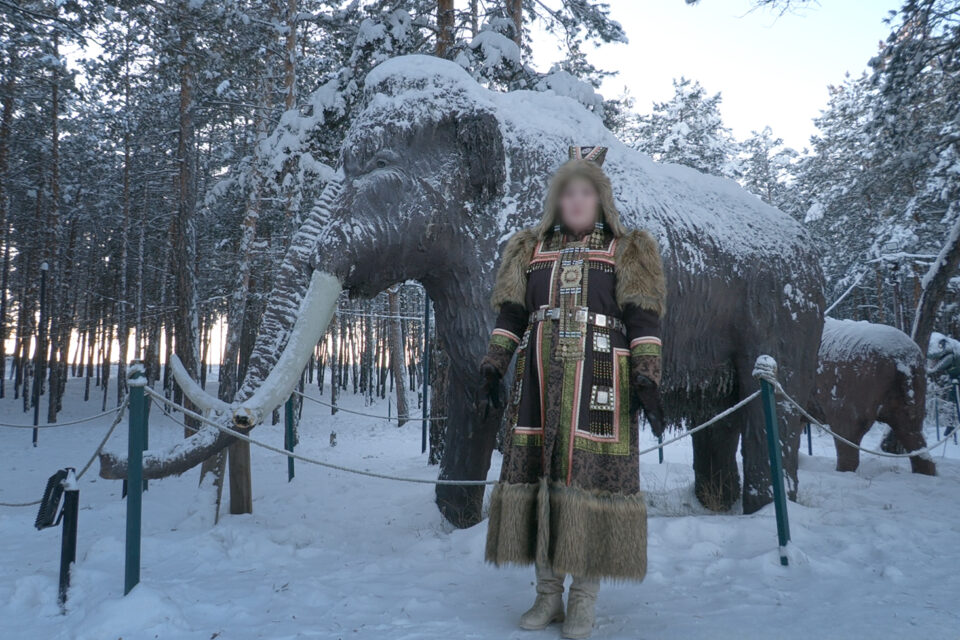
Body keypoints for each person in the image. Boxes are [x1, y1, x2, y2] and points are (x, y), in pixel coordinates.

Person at [479, 146, 666, 639]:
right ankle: (547, 597)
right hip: (539, 384)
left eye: (586, 192)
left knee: (593, 484)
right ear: (557, 201)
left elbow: (643, 318)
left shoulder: (628, 249)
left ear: (601, 199)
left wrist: (648, 378)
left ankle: (583, 599)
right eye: (569, 192)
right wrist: (493, 366)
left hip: (603, 384)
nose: (577, 201)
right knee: (541, 481)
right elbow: (511, 317)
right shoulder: (528, 249)